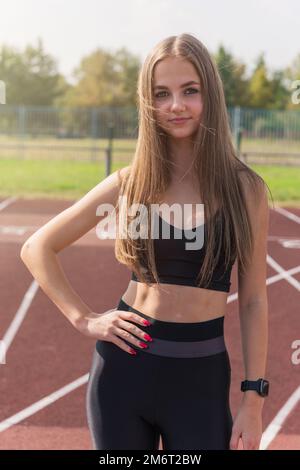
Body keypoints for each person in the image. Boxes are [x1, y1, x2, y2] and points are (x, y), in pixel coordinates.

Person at [20, 33, 272, 451]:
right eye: (162, 93)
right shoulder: (131, 182)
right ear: (147, 102)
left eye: (189, 91)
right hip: (123, 374)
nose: (175, 105)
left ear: (210, 94)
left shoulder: (245, 190)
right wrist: (83, 319)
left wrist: (254, 399)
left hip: (201, 379)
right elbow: (36, 247)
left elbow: (254, 301)